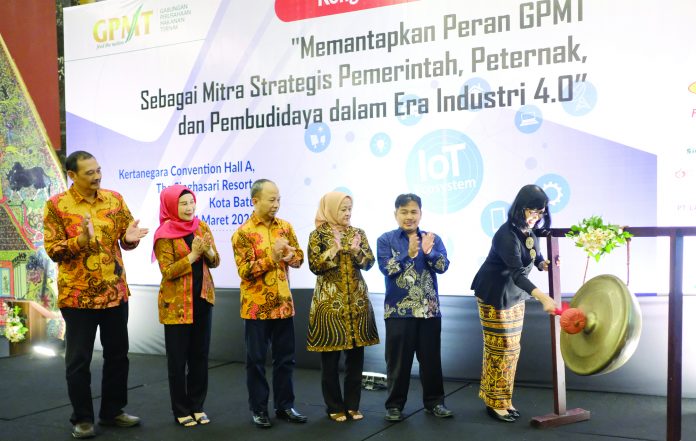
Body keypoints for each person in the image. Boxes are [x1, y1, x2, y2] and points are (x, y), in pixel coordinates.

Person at [43, 150, 148, 439]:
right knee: (79, 360)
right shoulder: (56, 206)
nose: (97, 176)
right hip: (78, 297)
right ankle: (83, 419)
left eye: (98, 170)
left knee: (118, 356)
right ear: (72, 175)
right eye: (89, 173)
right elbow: (53, 250)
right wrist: (80, 241)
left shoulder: (114, 199)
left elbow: (126, 237)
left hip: (115, 292)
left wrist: (129, 240)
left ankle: (113, 411)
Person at [470, 184, 557, 423]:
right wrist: (543, 297)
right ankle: (493, 402)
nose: (536, 217)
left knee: (512, 350)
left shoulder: (528, 230)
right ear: (520, 208)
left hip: (515, 295)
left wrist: (542, 264)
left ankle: (504, 399)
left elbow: (534, 255)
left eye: (540, 213)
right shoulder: (505, 235)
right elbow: (518, 273)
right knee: (498, 349)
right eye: (532, 211)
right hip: (494, 295)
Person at [231, 179, 307, 428]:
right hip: (256, 307)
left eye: (279, 199)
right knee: (256, 361)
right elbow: (244, 271)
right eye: (271, 199)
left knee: (286, 359)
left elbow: (299, 259)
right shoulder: (242, 233)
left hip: (283, 304)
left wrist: (290, 255)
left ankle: (285, 406)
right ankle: (259, 409)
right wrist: (271, 258)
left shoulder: (285, 227)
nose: (276, 204)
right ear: (255, 201)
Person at [376, 193, 453, 422]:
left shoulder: (432, 238)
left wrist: (429, 252)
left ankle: (435, 403)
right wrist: (407, 255)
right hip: (398, 311)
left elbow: (443, 267)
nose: (409, 216)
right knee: (398, 362)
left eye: (413, 212)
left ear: (420, 213)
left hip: (429, 311)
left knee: (431, 361)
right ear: (396, 214)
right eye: (404, 212)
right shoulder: (386, 239)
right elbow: (386, 269)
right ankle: (394, 406)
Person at [306, 191, 379, 422]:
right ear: (330, 209)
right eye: (343, 209)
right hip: (329, 306)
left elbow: (369, 263)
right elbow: (314, 266)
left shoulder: (358, 233)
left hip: (357, 303)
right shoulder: (318, 235)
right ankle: (334, 406)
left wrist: (357, 252)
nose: (347, 213)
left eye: (349, 209)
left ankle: (353, 405)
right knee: (330, 361)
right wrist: (333, 250)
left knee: (356, 359)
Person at [153, 185, 220, 427]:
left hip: (202, 300)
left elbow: (215, 261)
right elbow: (168, 271)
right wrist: (192, 256)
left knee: (199, 357)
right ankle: (181, 410)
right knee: (178, 360)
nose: (189, 207)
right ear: (171, 206)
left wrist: (208, 251)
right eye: (183, 203)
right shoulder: (164, 234)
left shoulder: (201, 227)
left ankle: (197, 406)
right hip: (177, 306)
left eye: (191, 202)